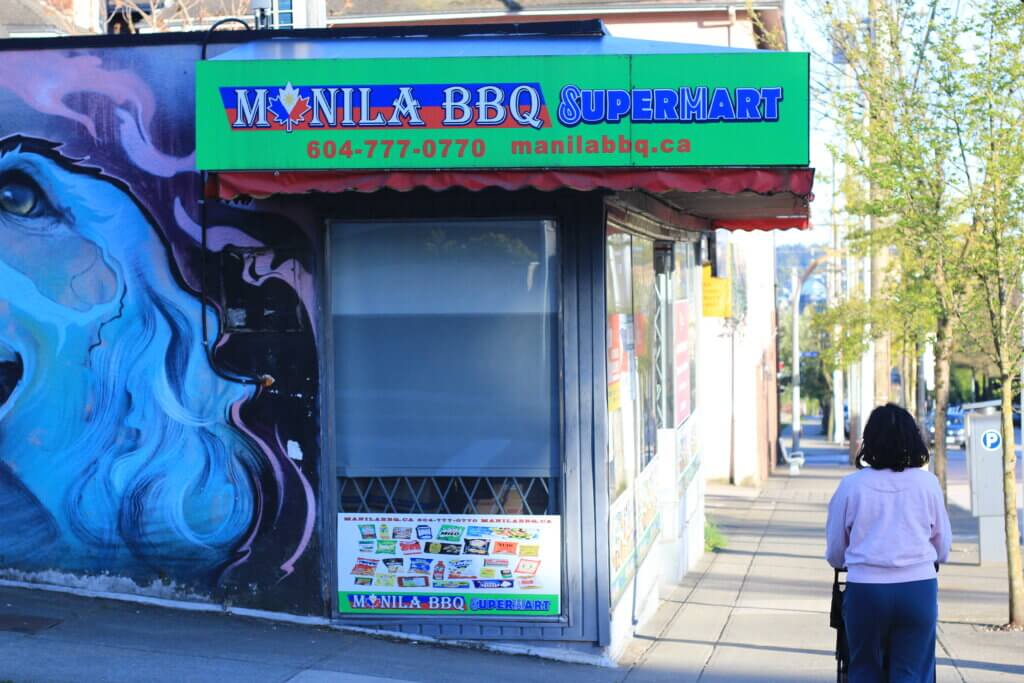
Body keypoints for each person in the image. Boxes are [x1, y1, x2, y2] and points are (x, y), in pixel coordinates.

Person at [826, 403, 952, 682]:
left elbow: (836, 551)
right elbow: (942, 547)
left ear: (869, 442)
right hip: (917, 589)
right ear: (912, 439)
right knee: (912, 672)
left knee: (864, 669)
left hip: (866, 591)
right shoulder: (927, 485)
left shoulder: (851, 486)